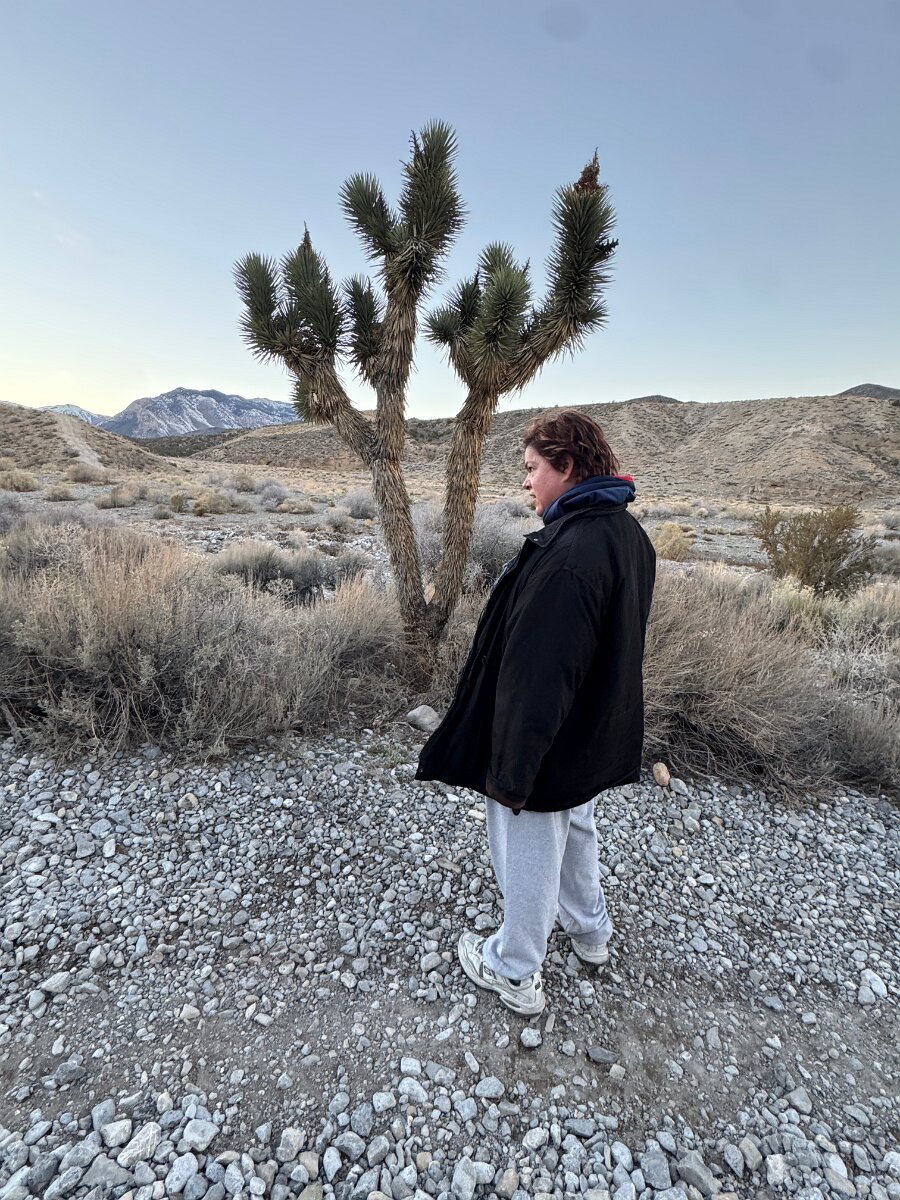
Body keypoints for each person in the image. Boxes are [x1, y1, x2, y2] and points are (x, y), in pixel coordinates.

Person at [416, 408, 656, 1015]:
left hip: (549, 740)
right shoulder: (627, 535)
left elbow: (541, 678)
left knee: (527, 840)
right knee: (577, 827)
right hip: (592, 730)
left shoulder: (571, 554)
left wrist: (514, 771)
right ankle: (590, 932)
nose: (525, 482)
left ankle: (514, 968)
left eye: (532, 468)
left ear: (566, 466)